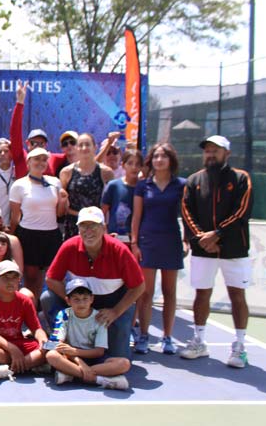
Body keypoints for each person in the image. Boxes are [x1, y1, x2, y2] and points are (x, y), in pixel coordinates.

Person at [180, 135, 253, 368]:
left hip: (235, 248)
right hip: (203, 249)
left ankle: (239, 347)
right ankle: (199, 341)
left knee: (237, 296)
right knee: (202, 295)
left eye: (216, 150)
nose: (211, 154)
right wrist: (202, 237)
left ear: (226, 154)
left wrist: (218, 234)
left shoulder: (241, 178)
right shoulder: (194, 180)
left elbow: (242, 212)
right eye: (208, 150)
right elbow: (186, 212)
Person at [44, 206, 146, 362]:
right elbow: (51, 279)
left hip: (112, 304)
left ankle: (87, 361)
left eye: (94, 226)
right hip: (80, 300)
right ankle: (62, 341)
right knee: (47, 298)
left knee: (120, 360)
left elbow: (139, 286)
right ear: (78, 229)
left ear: (103, 228)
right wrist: (71, 299)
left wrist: (115, 311)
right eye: (84, 226)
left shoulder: (120, 250)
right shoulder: (69, 246)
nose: (88, 230)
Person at [130, 142, 187, 355]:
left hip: (172, 241)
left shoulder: (182, 185)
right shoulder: (143, 185)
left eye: (163, 156)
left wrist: (186, 240)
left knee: (169, 292)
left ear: (171, 160)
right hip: (148, 242)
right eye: (155, 156)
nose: (159, 160)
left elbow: (187, 215)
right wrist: (135, 243)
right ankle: (143, 336)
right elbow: (136, 217)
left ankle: (167, 337)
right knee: (145, 293)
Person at [45, 278, 131, 390]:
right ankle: (99, 380)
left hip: (93, 358)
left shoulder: (99, 318)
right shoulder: (64, 315)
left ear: (92, 299)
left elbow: (99, 352)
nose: (81, 303)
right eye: (76, 299)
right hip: (71, 358)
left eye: (85, 299)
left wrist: (76, 353)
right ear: (68, 300)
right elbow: (57, 345)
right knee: (51, 355)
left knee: (124, 363)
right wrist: (79, 360)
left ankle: (71, 375)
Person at [8, 148, 67, 300]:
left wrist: (64, 200)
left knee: (51, 277)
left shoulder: (55, 182)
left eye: (43, 159)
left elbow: (60, 213)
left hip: (51, 235)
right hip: (28, 235)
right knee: (30, 278)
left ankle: (41, 311)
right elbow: (15, 217)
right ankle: (30, 311)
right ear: (28, 162)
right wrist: (12, 238)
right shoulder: (19, 185)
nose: (40, 162)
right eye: (36, 159)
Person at [0, 259, 49, 381]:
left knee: (47, 349)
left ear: (19, 280)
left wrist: (43, 340)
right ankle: (28, 365)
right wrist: (12, 349)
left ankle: (7, 370)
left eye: (14, 277)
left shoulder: (25, 301)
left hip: (19, 342)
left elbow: (36, 328)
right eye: (6, 278)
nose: (10, 282)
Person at [9, 81, 78, 179]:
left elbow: (73, 154)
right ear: (27, 143)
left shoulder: (52, 158)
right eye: (33, 143)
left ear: (46, 145)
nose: (37, 146)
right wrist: (20, 103)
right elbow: (15, 132)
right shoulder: (20, 156)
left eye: (41, 143)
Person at [59, 133, 115, 239]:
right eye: (80, 145)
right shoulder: (66, 172)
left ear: (95, 147)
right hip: (73, 225)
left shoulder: (106, 172)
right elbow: (61, 206)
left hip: (95, 225)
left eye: (87, 144)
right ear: (76, 148)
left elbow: (112, 203)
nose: (84, 148)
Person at [101, 149, 143, 246]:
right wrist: (106, 234)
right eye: (130, 163)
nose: (134, 167)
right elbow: (103, 212)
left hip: (138, 240)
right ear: (123, 165)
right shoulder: (114, 186)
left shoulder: (144, 188)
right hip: (116, 238)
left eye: (137, 164)